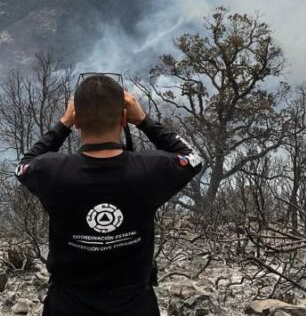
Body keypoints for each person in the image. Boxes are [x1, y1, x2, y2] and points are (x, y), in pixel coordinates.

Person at [15, 74, 202, 315]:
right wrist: (144, 121)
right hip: (135, 305)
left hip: (68, 305)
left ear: (78, 121)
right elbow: (193, 158)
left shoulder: (52, 172)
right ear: (124, 118)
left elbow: (23, 164)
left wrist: (63, 124)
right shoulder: (150, 170)